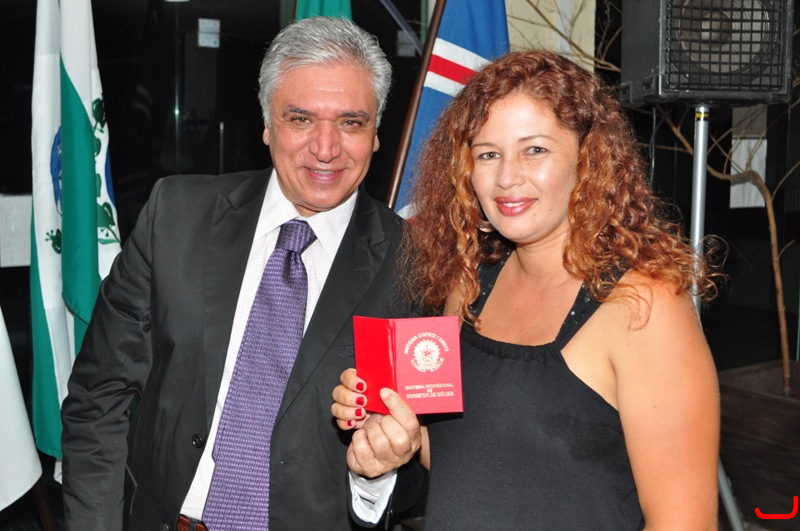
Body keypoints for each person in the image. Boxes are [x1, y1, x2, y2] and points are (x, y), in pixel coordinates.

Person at [332, 49, 722, 529]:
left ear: (588, 159)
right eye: (488, 154)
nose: (506, 177)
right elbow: (473, 462)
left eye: (534, 150)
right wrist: (395, 436)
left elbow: (684, 522)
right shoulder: (467, 286)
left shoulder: (644, 306)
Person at [61, 16, 422, 531]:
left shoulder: (416, 265)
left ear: (376, 134)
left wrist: (378, 476)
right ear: (267, 124)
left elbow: (440, 459)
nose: (326, 148)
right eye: (300, 119)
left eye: (350, 122)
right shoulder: (176, 217)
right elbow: (98, 397)